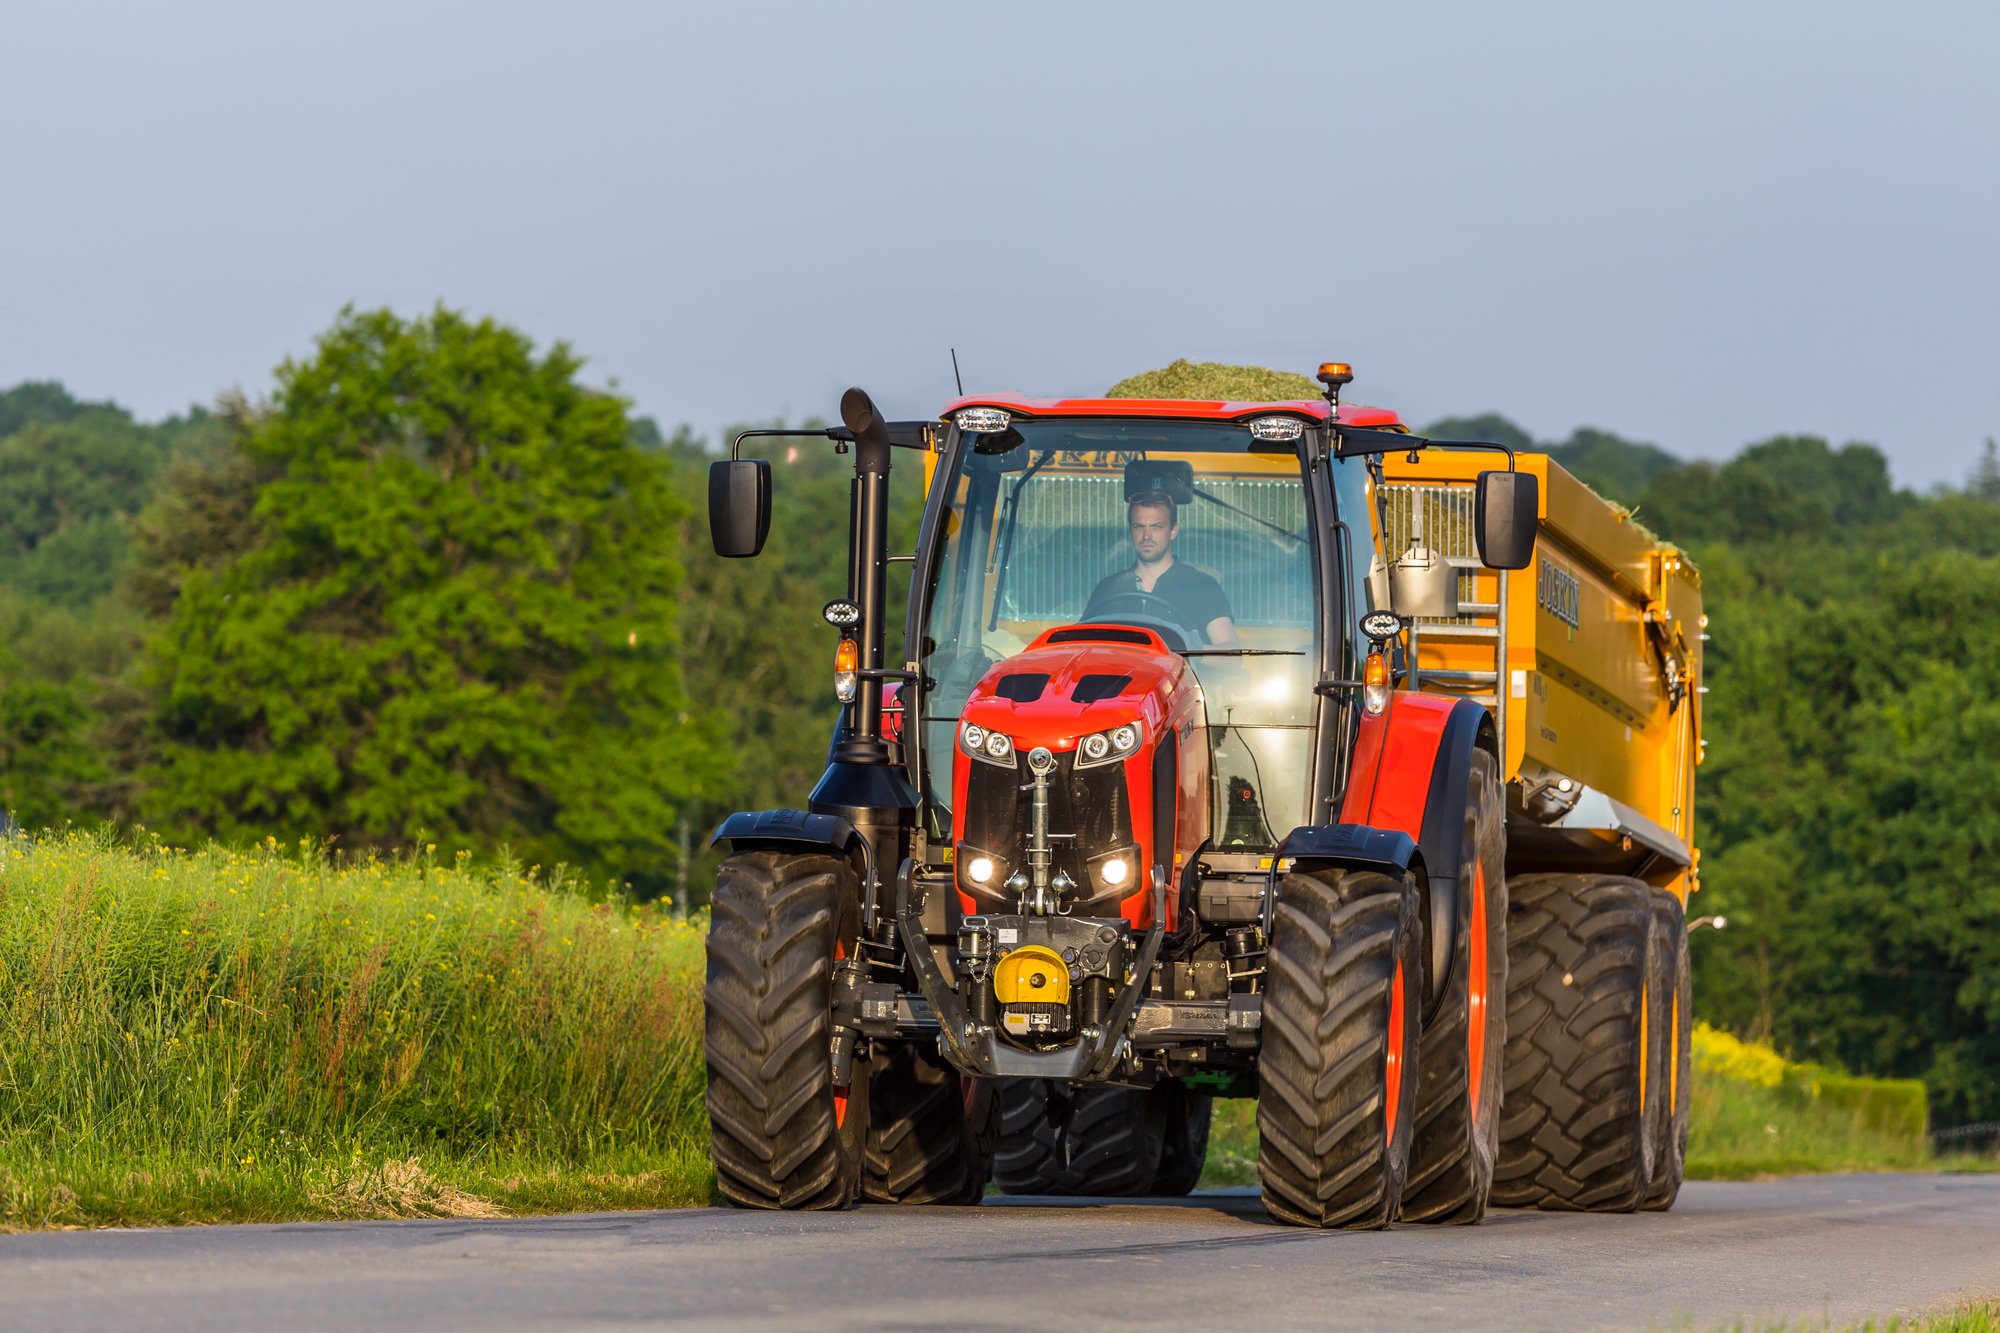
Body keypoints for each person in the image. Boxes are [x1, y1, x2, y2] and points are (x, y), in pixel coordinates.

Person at [1084, 491, 1240, 648]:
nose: (1147, 536)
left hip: (1180, 672)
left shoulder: (1202, 585)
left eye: (1156, 527)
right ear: (1131, 531)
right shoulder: (1108, 589)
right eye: (1139, 526)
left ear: (1173, 531)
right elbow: (1079, 644)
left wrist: (1191, 648)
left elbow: (1231, 654)